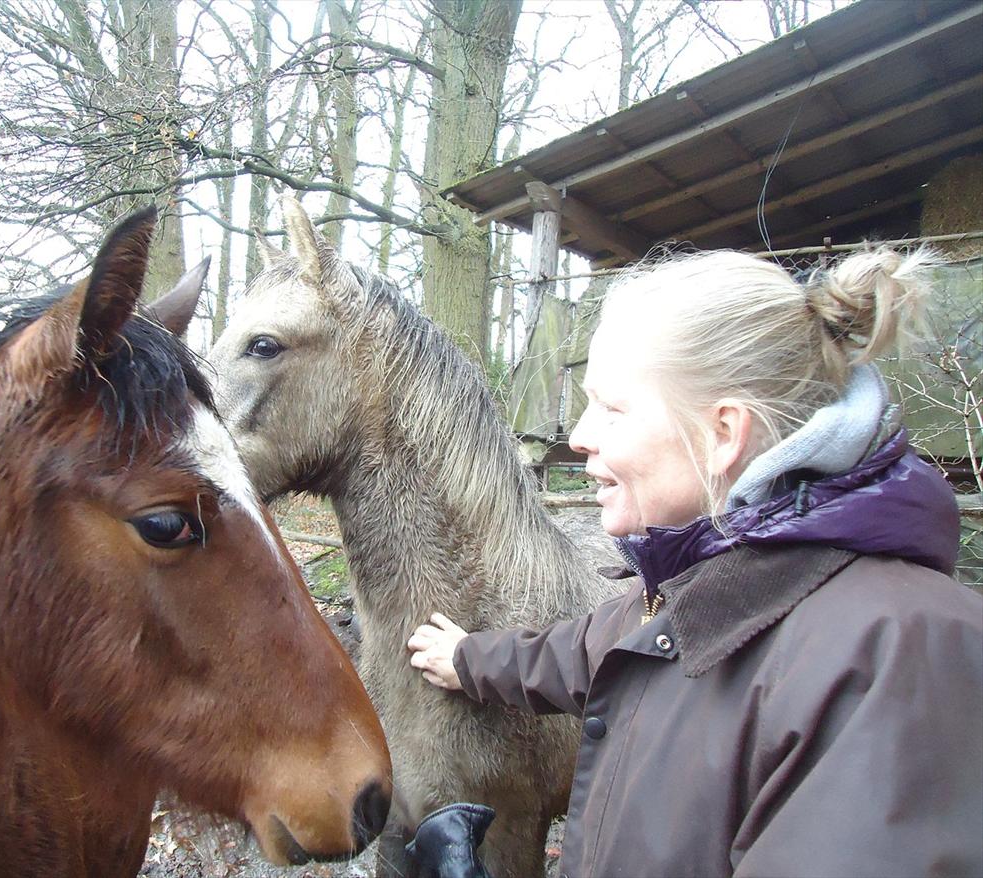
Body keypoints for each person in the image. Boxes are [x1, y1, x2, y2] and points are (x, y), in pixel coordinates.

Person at [407, 246, 983, 878]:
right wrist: (464, 659)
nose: (578, 435)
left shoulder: (904, 658)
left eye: (611, 407)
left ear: (722, 435)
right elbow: (582, 654)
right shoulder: (694, 585)